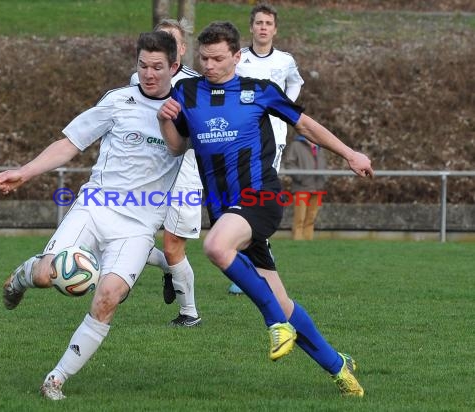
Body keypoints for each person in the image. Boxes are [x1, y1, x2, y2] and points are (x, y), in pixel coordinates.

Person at [157, 21, 372, 397]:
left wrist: (350, 154)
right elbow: (177, 147)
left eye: (218, 58)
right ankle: (339, 368)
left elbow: (306, 125)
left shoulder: (260, 91)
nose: (209, 65)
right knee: (283, 300)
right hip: (224, 210)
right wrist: (164, 122)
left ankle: (275, 323)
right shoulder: (186, 92)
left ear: (237, 57)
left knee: (215, 248)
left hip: (261, 197)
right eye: (204, 58)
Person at [0, 31, 182, 400]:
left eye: (158, 67)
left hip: (140, 225)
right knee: (49, 275)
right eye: (143, 65)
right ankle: (22, 276)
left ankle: (56, 378)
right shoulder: (117, 101)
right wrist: (26, 171)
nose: (149, 73)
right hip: (95, 207)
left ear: (174, 67)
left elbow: (186, 148)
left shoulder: (184, 110)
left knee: (108, 296)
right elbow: (71, 143)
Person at [229, 2, 304, 295]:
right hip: (240, 135)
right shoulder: (239, 58)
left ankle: (254, 262)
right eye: (258, 23)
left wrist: (282, 107)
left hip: (274, 136)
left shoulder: (285, 61)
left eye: (268, 23)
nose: (263, 28)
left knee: (260, 195)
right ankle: (243, 262)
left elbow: (296, 83)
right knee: (239, 193)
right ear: (251, 27)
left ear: (275, 29)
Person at [131, 19, 202, 327]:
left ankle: (189, 314)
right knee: (128, 238)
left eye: (170, 41)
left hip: (186, 172)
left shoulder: (197, 85)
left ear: (181, 50)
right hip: (145, 172)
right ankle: (166, 270)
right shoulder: (139, 80)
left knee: (174, 246)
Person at [284, 134, 328, 240]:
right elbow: (289, 164)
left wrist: (323, 179)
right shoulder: (296, 145)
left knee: (311, 217)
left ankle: (308, 240)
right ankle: (297, 240)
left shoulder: (320, 147)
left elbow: (323, 164)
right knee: (300, 217)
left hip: (317, 187)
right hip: (301, 188)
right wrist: (300, 177)